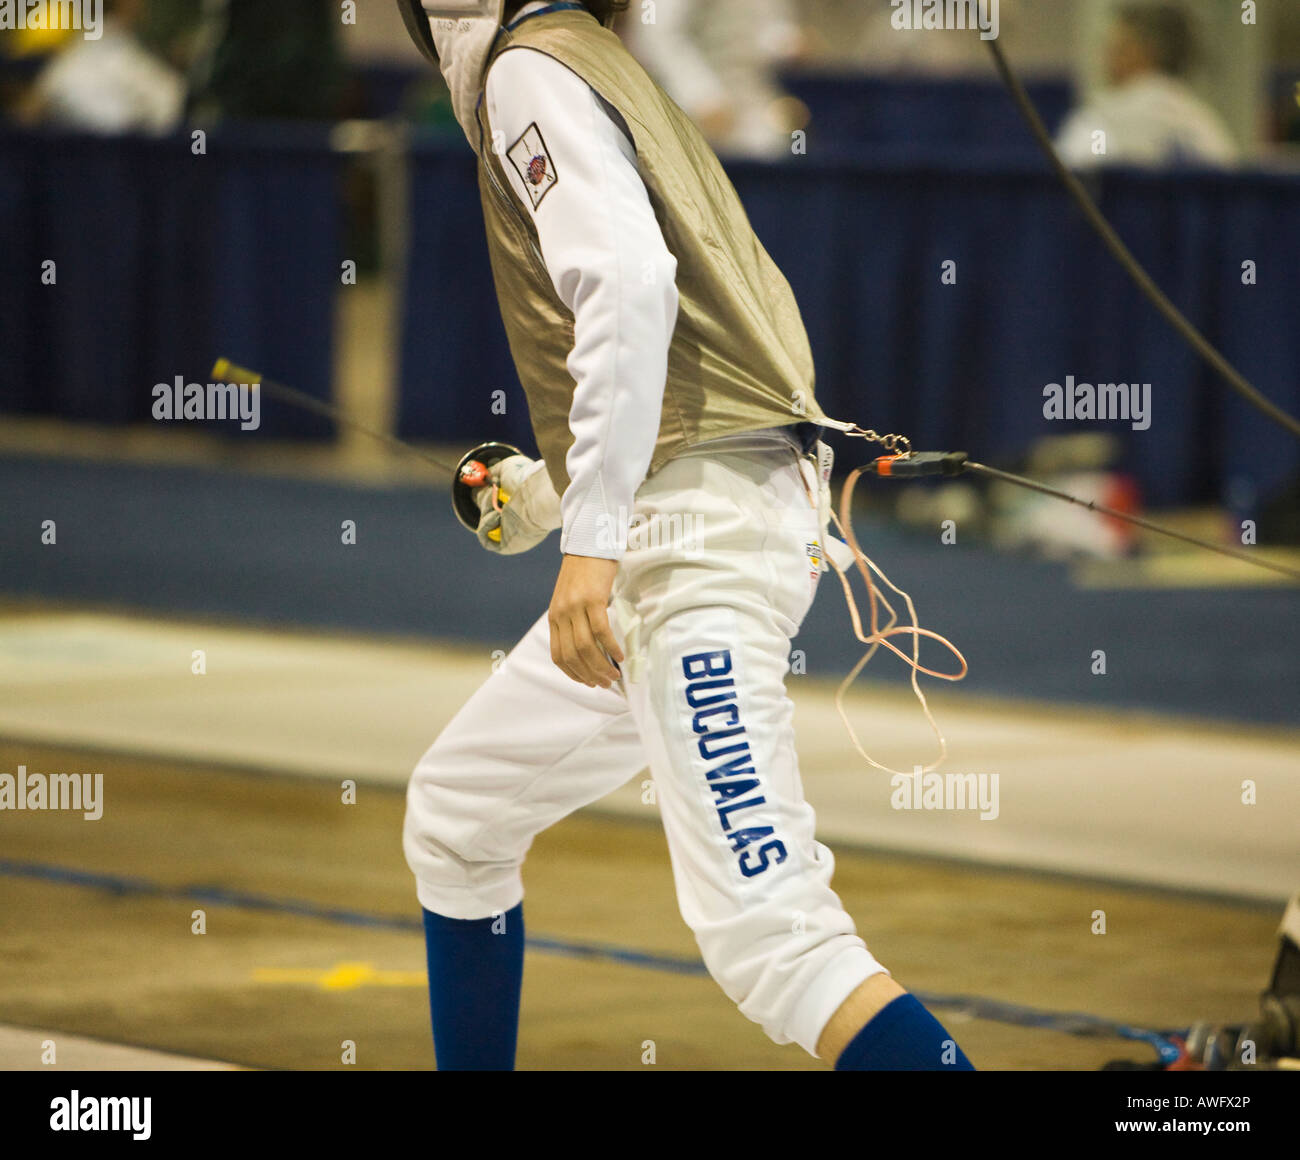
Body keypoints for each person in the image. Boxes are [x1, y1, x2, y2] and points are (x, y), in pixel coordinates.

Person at [397, 0, 974, 1072]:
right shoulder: (598, 64)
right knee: (459, 812)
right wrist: (543, 497)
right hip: (698, 516)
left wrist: (591, 544)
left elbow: (628, 286)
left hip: (692, 554)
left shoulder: (531, 66)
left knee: (776, 939)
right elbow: (685, 381)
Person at [1056, 2, 1238, 168]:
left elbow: (1060, 188)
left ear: (1145, 51)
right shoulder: (1205, 123)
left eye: (1116, 48)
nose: (1106, 58)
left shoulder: (1097, 120)